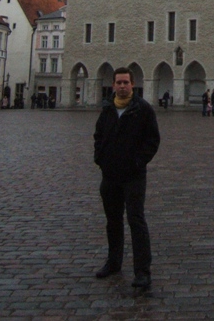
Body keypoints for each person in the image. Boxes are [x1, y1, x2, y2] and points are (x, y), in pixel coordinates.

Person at [93, 67, 160, 288]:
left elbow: (152, 141)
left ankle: (142, 271)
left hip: (133, 176)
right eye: (119, 83)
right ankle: (113, 262)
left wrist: (138, 162)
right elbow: (99, 135)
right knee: (113, 221)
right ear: (113, 85)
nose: (122, 86)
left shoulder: (143, 110)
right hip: (110, 175)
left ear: (133, 84)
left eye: (126, 82)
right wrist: (100, 159)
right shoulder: (107, 109)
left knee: (136, 220)